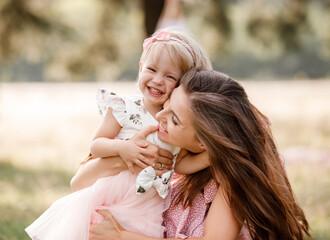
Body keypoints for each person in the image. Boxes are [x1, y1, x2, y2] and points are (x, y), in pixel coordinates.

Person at [25, 29, 212, 240]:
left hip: (146, 206)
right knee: (95, 231)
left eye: (170, 76)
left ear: (181, 85)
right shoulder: (125, 107)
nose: (158, 80)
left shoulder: (175, 123)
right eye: (152, 69)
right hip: (110, 193)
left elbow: (179, 164)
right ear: (141, 68)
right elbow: (97, 145)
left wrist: (209, 157)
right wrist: (124, 148)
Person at [84, 70, 311, 239]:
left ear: (203, 142)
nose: (160, 116)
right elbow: (78, 184)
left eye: (174, 120)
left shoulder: (231, 178)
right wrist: (124, 156)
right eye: (167, 103)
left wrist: (122, 236)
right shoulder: (170, 149)